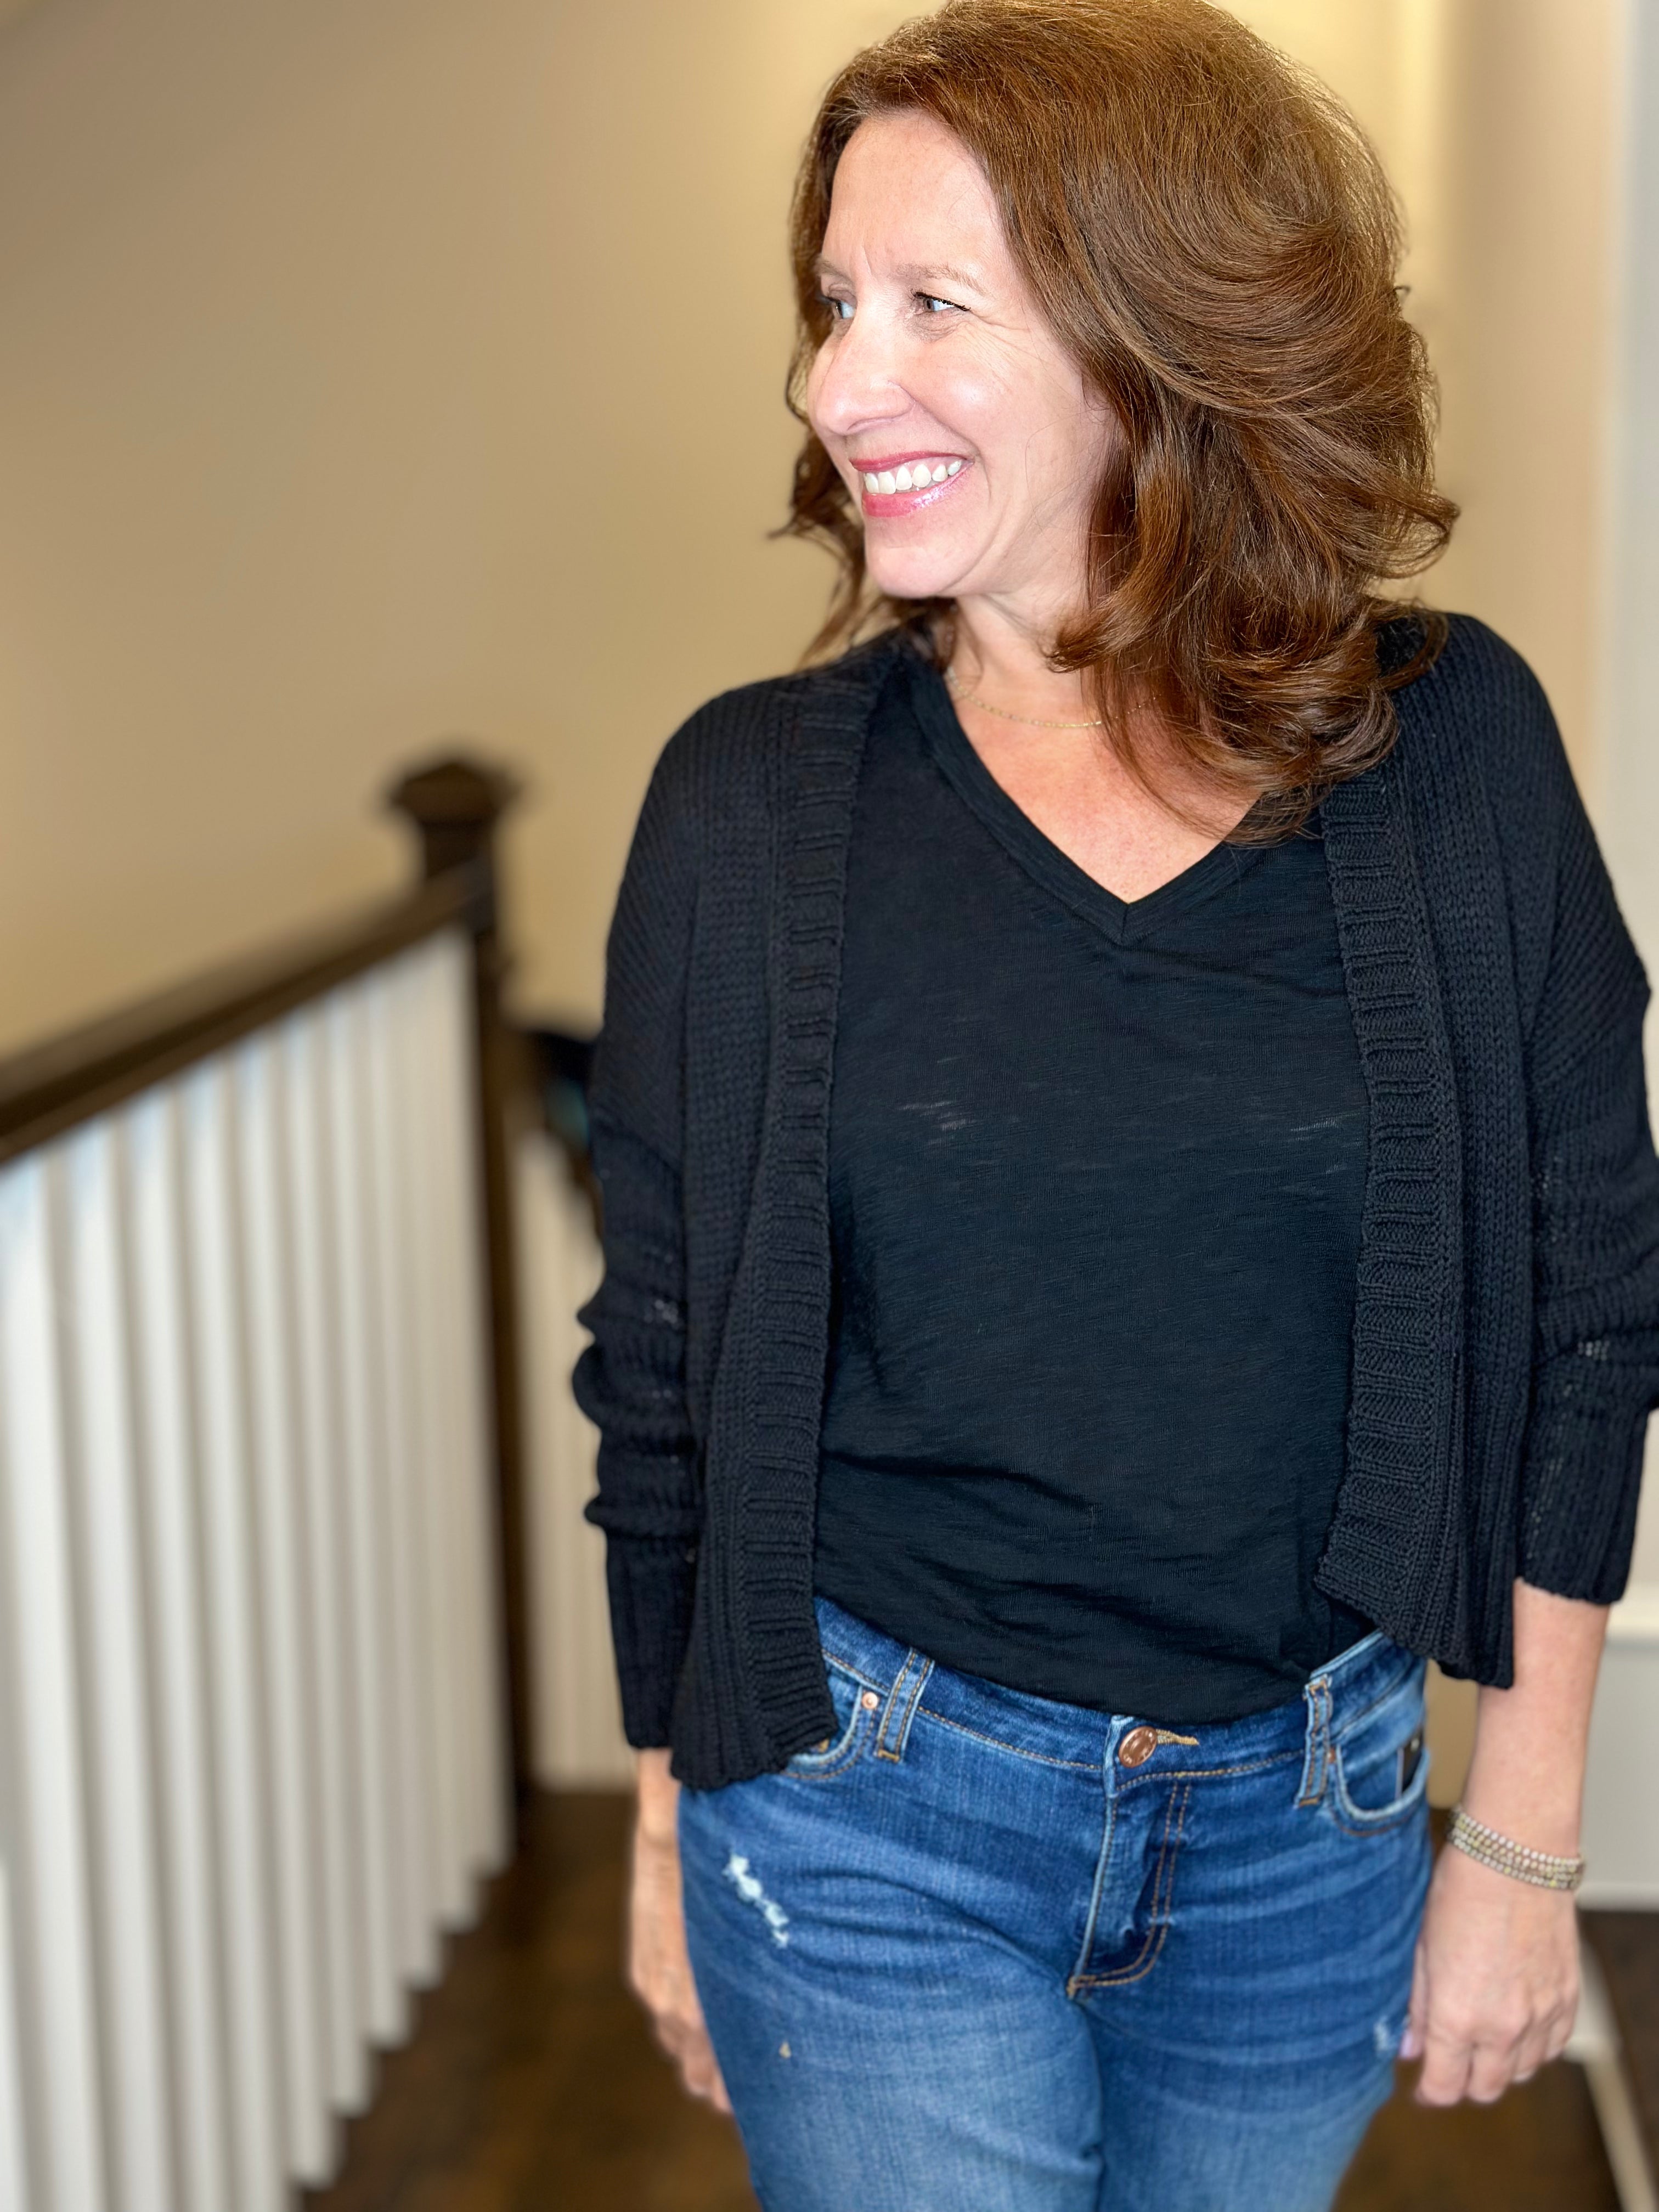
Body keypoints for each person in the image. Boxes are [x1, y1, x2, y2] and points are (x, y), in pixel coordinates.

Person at [572, 4, 1659, 2206]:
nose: (834, 383)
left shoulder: (1452, 756)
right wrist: (671, 1814)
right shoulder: (745, 808)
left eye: (930, 304)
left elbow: (1590, 1305)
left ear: (1157, 333)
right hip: (863, 1811)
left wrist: (1527, 1834)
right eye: (833, 304)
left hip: (1315, 1822)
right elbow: (662, 1361)